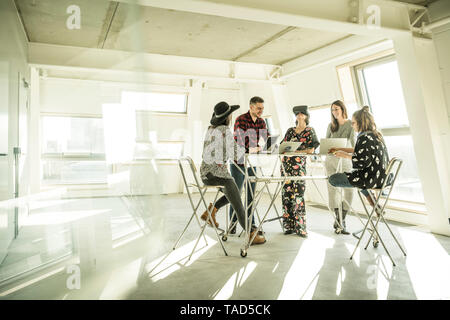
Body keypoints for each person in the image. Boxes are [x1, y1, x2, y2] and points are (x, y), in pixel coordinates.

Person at [200, 101, 266, 245]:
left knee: (235, 192)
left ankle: (211, 211)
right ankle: (250, 234)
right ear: (227, 116)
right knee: (238, 203)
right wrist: (253, 150)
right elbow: (237, 153)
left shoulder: (210, 129)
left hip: (205, 174)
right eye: (230, 114)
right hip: (217, 175)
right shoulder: (224, 130)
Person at [328, 106, 389, 216]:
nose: (352, 125)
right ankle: (375, 205)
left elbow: (362, 161)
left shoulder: (363, 138)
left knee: (333, 179)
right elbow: (360, 151)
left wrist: (345, 155)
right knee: (358, 179)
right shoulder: (376, 135)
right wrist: (340, 149)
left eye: (354, 123)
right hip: (382, 177)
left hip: (370, 179)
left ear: (360, 123)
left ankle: (340, 213)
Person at [229, 96, 270, 234]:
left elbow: (265, 139)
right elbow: (240, 142)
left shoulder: (261, 122)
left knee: (251, 194)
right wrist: (257, 147)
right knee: (236, 194)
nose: (261, 111)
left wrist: (261, 147)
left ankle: (251, 224)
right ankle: (233, 224)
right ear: (251, 107)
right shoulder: (240, 119)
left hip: (253, 162)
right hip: (238, 162)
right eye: (258, 108)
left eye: (262, 108)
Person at [280, 105, 320, 238]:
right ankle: (288, 226)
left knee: (298, 195)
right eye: (297, 114)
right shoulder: (290, 131)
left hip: (299, 167)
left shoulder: (310, 131)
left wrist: (296, 152)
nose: (299, 115)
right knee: (287, 196)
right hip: (286, 166)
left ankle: (301, 227)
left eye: (302, 113)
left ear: (307, 116)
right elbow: (282, 147)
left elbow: (311, 150)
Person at [324, 100, 356, 234]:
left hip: (345, 162)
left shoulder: (350, 125)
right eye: (332, 110)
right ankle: (339, 221)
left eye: (336, 109)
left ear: (342, 109)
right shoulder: (330, 126)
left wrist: (340, 149)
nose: (334, 112)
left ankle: (341, 218)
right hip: (331, 162)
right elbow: (326, 145)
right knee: (333, 191)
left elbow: (353, 147)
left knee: (349, 191)